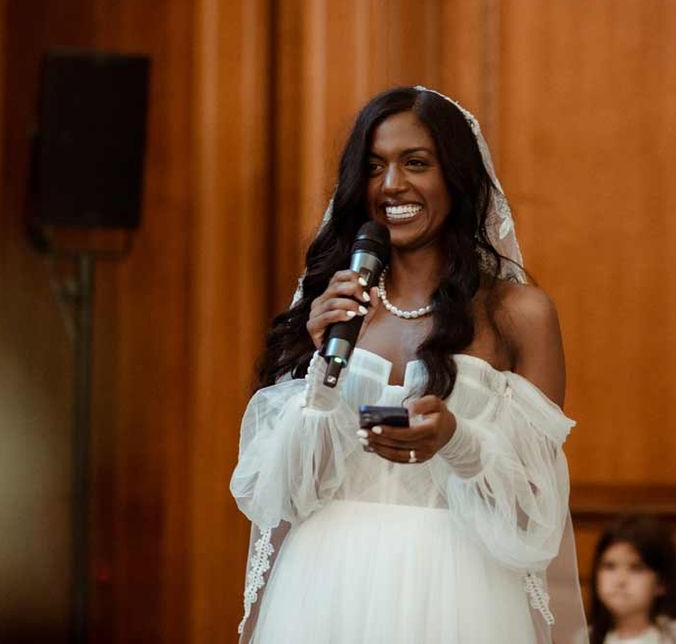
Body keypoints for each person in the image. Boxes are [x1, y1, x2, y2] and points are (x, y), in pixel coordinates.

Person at [230, 86, 588, 643]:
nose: (392, 185)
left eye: (415, 163)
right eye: (374, 167)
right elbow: (284, 494)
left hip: (457, 588)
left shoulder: (519, 313)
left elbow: (535, 511)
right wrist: (323, 370)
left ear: (457, 177)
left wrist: (458, 441)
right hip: (325, 583)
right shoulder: (334, 307)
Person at [589, 513, 676, 644]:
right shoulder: (585, 637)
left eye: (636, 568)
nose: (620, 580)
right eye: (609, 566)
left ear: (661, 582)